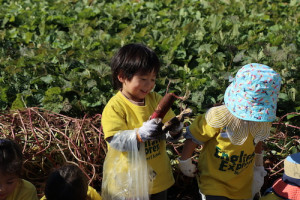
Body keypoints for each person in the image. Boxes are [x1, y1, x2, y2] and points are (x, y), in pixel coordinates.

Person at [178, 63, 281, 200]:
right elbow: (195, 136)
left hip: (242, 183)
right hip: (214, 182)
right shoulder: (218, 117)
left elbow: (257, 141)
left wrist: (258, 164)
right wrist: (185, 161)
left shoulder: (260, 120)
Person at [101, 43, 183, 200]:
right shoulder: (115, 107)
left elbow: (169, 134)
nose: (149, 85)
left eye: (153, 79)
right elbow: (115, 141)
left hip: (158, 178)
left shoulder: (156, 100)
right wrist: (139, 135)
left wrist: (175, 129)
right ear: (122, 76)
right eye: (143, 79)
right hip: (129, 183)